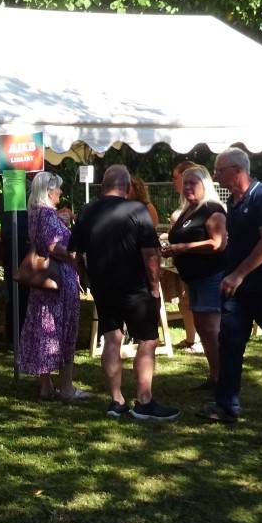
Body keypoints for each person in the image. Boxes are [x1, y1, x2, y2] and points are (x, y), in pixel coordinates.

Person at [199, 149, 262, 423]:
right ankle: (226, 405)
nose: (216, 175)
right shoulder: (233, 201)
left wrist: (238, 274)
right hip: (238, 290)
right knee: (230, 343)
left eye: (220, 170)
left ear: (237, 170)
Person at [69, 165, 175, 420]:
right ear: (127, 187)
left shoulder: (87, 211)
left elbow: (74, 253)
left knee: (112, 339)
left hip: (103, 287)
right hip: (135, 288)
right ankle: (144, 401)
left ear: (103, 186)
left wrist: (85, 278)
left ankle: (116, 400)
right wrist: (154, 287)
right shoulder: (137, 210)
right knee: (147, 340)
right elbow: (150, 254)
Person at [16, 171, 84, 402]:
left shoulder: (35, 212)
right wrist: (75, 255)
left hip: (44, 283)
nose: (61, 192)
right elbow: (54, 247)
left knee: (44, 330)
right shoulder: (46, 214)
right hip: (59, 280)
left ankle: (46, 386)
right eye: (58, 188)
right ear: (48, 191)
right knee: (63, 330)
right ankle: (67, 388)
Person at [160, 165, 227, 391]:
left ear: (204, 184)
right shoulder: (188, 210)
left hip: (210, 276)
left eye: (192, 183)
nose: (187, 187)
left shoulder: (212, 209)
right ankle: (215, 375)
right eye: (185, 183)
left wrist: (182, 248)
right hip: (193, 278)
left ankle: (224, 379)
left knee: (211, 327)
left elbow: (218, 243)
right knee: (201, 326)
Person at [169, 159, 203, 350]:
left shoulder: (205, 208)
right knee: (186, 301)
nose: (174, 182)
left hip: (200, 267)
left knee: (192, 301)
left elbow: (216, 242)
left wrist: (180, 246)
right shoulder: (185, 205)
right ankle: (192, 338)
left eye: (176, 178)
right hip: (185, 266)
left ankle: (197, 340)